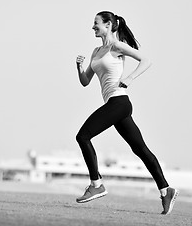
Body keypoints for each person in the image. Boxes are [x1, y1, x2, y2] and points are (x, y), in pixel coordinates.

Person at [75, 11, 178, 215]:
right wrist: (78, 67)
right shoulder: (96, 51)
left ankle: (96, 184)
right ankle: (166, 190)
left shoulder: (117, 46)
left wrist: (130, 78)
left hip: (119, 101)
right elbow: (85, 81)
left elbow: (146, 60)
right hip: (115, 105)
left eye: (96, 23)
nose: (92, 27)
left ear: (108, 25)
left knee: (83, 136)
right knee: (140, 149)